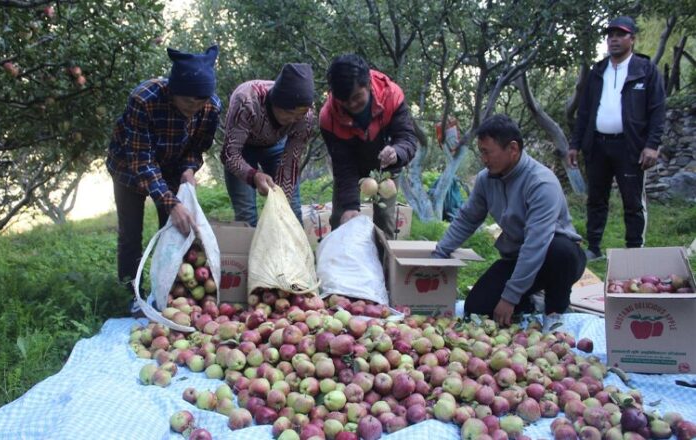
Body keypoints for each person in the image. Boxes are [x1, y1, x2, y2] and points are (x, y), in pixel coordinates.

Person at [432, 115, 586, 328]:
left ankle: (555, 311)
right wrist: (439, 253)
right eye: (481, 152)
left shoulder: (541, 183)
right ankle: (529, 303)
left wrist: (510, 297)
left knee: (562, 251)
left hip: (553, 257)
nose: (484, 159)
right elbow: (467, 219)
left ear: (512, 149)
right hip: (518, 257)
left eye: (488, 152)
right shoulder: (487, 179)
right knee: (476, 308)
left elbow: (536, 244)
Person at [106, 45, 221, 314]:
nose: (195, 108)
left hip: (171, 166)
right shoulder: (144, 99)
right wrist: (171, 202)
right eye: (188, 102)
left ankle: (170, 292)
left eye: (200, 102)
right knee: (130, 233)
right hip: (128, 168)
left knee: (175, 231)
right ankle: (130, 293)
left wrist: (189, 169)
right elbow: (141, 161)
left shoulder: (211, 107)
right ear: (173, 91)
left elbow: (196, 147)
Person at [568, 16, 666, 261]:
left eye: (620, 34)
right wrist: (575, 144)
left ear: (632, 39)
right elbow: (585, 111)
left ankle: (634, 251)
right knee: (596, 199)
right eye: (610, 34)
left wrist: (652, 145)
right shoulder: (598, 71)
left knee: (632, 201)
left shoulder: (645, 70)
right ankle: (594, 247)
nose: (613, 39)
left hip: (629, 146)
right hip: (598, 145)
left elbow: (657, 110)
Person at [319, 54, 417, 238]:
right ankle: (341, 264)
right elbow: (343, 165)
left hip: (386, 167)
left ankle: (384, 265)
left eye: (357, 97)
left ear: (369, 85)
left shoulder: (391, 96)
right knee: (341, 219)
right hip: (352, 169)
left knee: (384, 220)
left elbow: (407, 138)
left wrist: (397, 152)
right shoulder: (328, 118)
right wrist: (350, 206)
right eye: (345, 101)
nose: (352, 105)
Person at [221, 63, 315, 225]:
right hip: (242, 148)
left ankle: (292, 250)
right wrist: (254, 176)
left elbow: (290, 162)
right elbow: (229, 154)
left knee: (290, 209)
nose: (293, 120)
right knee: (246, 214)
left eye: (298, 116)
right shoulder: (246, 101)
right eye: (289, 114)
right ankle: (248, 249)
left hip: (276, 146)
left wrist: (282, 202)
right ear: (275, 102)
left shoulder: (305, 117)